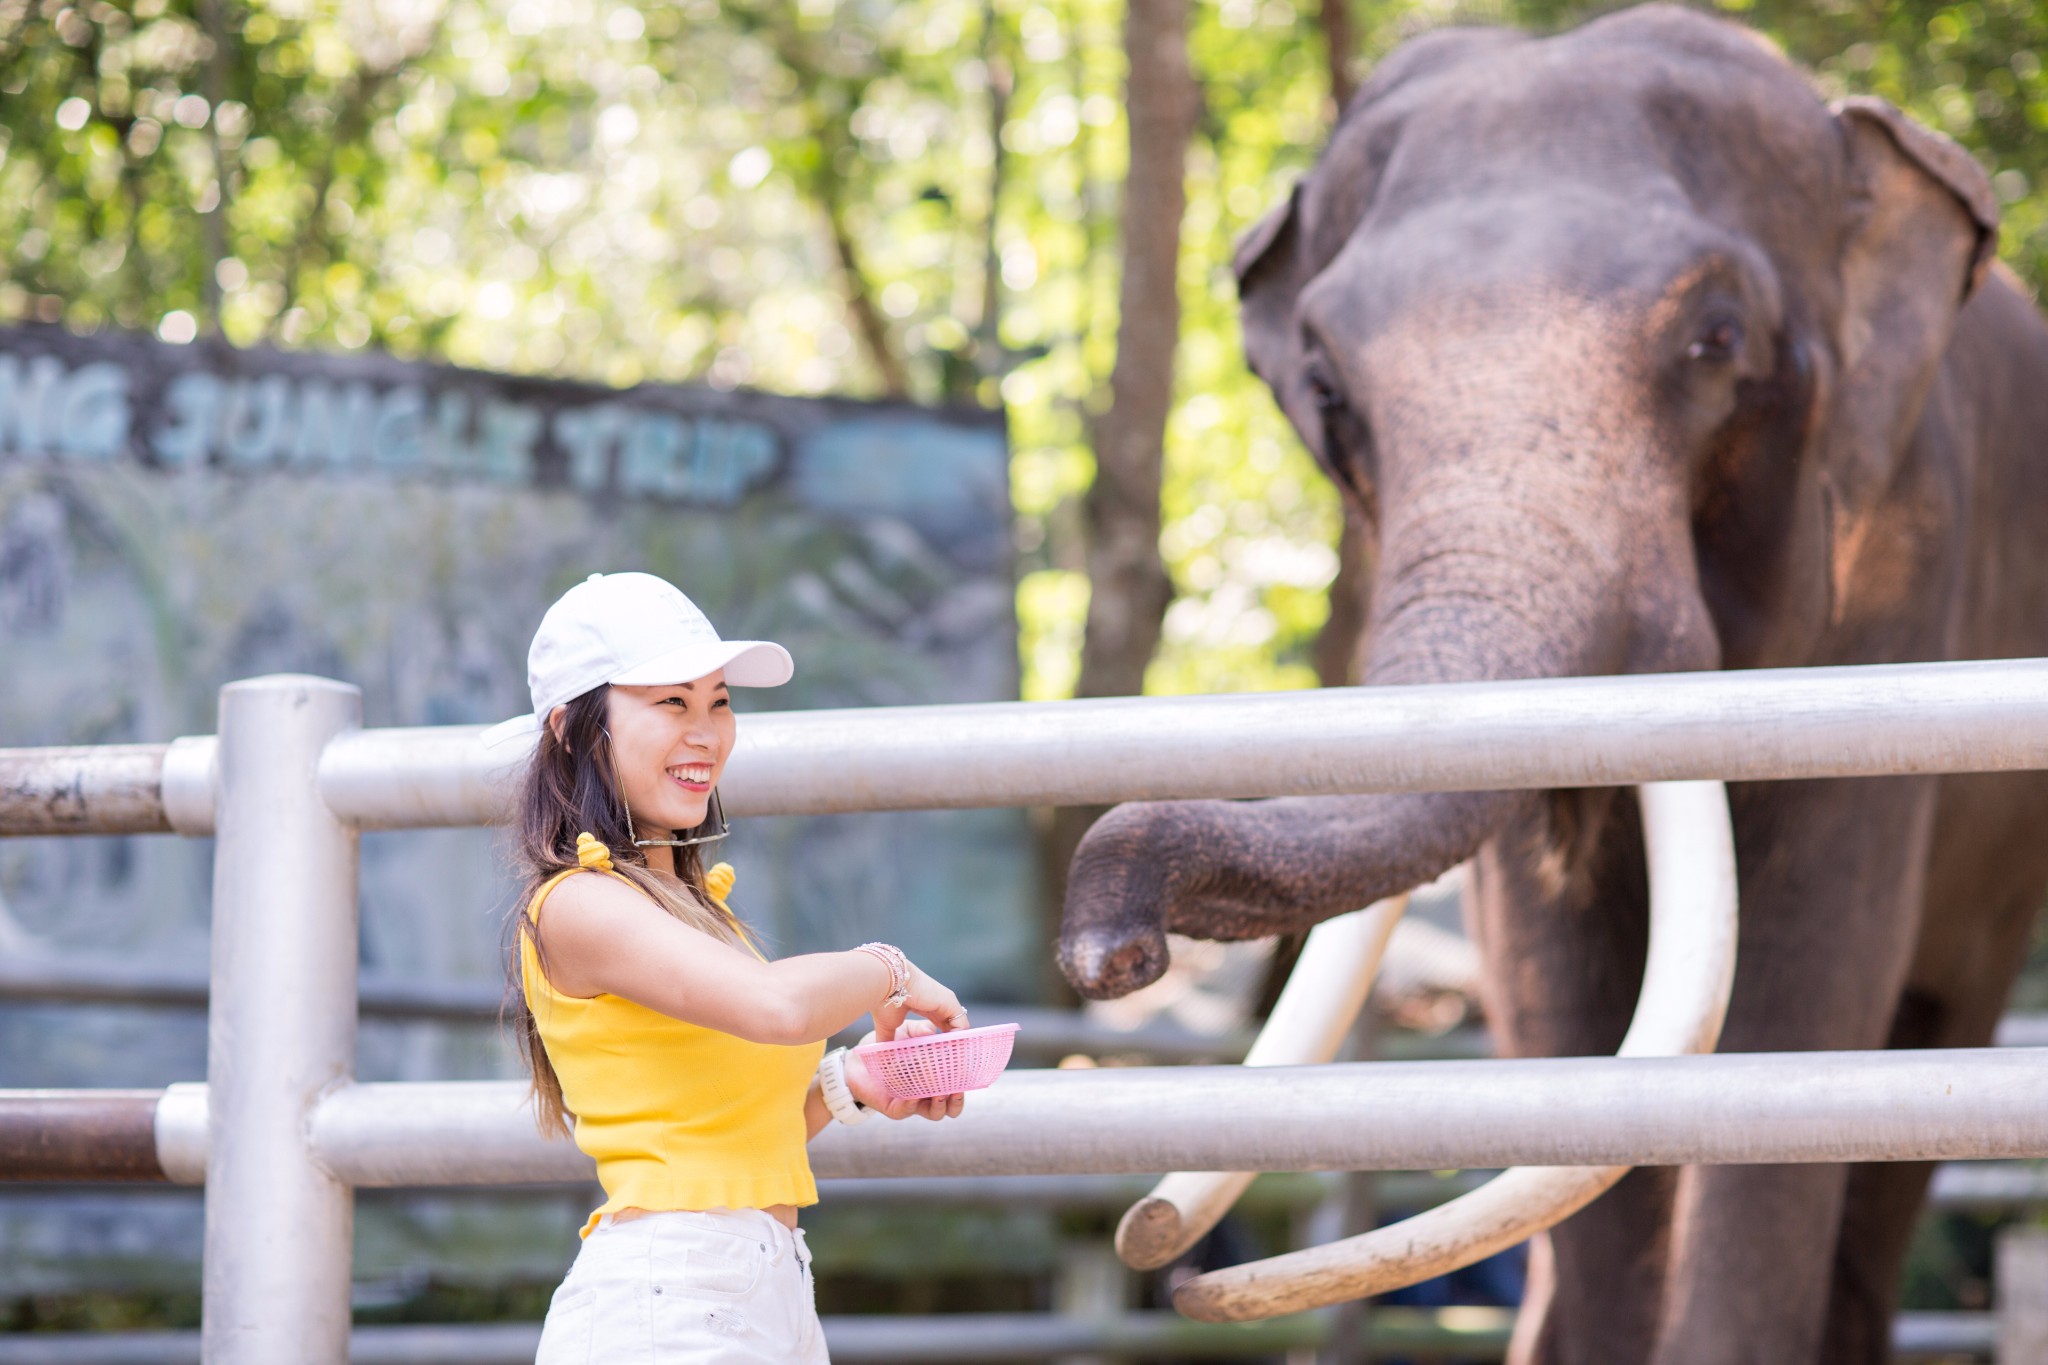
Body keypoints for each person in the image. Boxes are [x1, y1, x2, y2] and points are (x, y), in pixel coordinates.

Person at [486, 571, 971, 1364]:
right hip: (673, 1298)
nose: (706, 731)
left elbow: (725, 1125)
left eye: (719, 701)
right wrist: (888, 967)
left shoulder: (694, 907)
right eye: (671, 702)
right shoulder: (578, 904)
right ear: (573, 727)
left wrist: (855, 1083)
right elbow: (778, 1008)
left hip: (754, 1287)